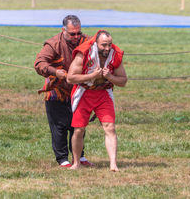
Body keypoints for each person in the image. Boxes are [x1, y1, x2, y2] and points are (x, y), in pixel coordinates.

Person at [34, 15, 94, 168]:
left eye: (78, 33)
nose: (75, 37)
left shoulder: (87, 41)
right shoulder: (53, 44)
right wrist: (55, 72)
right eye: (72, 33)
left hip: (79, 90)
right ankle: (62, 159)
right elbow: (39, 63)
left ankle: (79, 157)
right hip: (57, 90)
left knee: (78, 126)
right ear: (63, 30)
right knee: (59, 127)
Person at [67, 30, 127, 171]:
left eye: (109, 45)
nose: (107, 48)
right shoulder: (84, 52)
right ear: (96, 43)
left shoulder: (115, 54)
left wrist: (110, 77)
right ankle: (76, 163)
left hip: (103, 93)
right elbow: (70, 77)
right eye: (104, 45)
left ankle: (113, 164)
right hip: (84, 93)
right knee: (79, 129)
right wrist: (92, 75)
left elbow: (123, 81)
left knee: (110, 127)